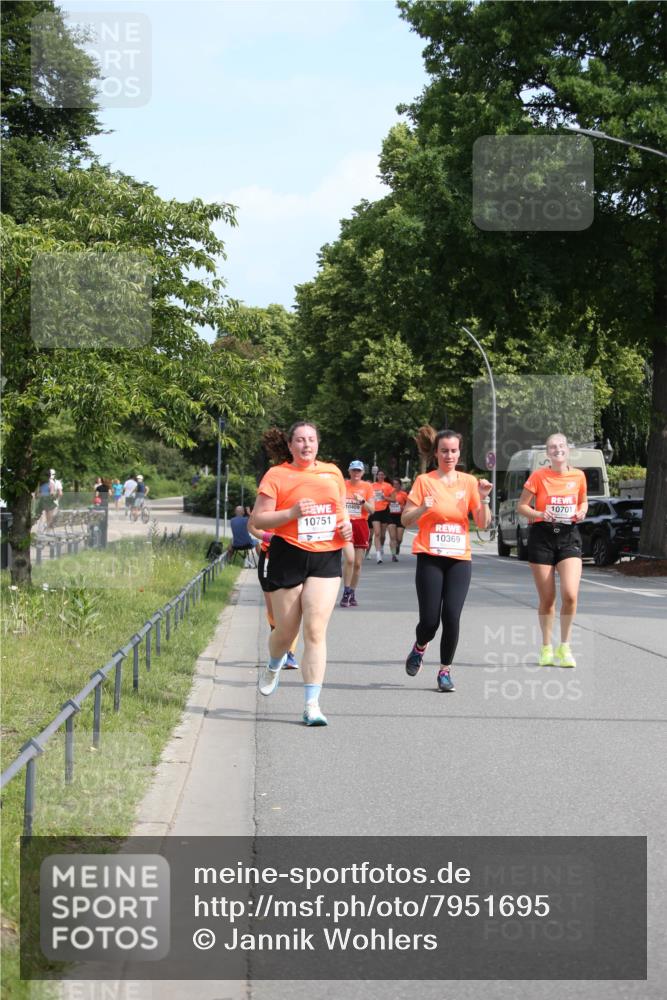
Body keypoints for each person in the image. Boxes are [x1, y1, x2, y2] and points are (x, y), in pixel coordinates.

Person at [250, 422, 352, 726]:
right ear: (290, 445)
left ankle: (312, 704)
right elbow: (259, 518)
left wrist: (345, 527)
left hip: (325, 556)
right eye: (300, 440)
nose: (306, 445)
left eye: (311, 439)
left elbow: (341, 512)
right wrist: (292, 513)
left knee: (315, 630)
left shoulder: (333, 472)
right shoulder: (277, 475)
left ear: (318, 442)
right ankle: (273, 663)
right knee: (286, 632)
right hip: (289, 554)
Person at [401, 427, 492, 692]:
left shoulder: (469, 482)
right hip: (430, 556)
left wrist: (484, 500)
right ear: (436, 453)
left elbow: (484, 525)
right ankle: (419, 647)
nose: (449, 455)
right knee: (430, 621)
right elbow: (406, 520)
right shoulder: (424, 481)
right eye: (444, 451)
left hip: (459, 559)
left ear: (459, 452)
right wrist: (423, 508)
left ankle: (444, 671)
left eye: (453, 450)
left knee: (452, 616)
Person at [516, 433, 588, 668]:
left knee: (570, 594)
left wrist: (582, 510)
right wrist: (539, 514)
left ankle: (564, 647)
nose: (557, 450)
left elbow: (583, 501)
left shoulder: (578, 476)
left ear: (568, 449)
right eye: (552, 447)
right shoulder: (538, 477)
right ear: (547, 453)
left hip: (569, 537)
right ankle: (546, 647)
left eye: (561, 446)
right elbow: (522, 507)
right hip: (543, 537)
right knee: (548, 599)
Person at [248, 522, 300, 670]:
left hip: (293, 554)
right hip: (269, 555)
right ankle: (279, 644)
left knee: (291, 610)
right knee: (273, 610)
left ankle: (289, 653)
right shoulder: (267, 499)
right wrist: (266, 536)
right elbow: (252, 525)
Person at [340, 460, 375, 607]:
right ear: (349, 471)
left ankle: (352, 592)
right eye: (353, 470)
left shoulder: (367, 487)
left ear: (362, 473)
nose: (356, 473)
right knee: (349, 559)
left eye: (358, 471)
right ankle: (346, 591)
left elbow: (372, 510)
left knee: (358, 564)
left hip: (361, 524)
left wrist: (362, 502)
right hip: (347, 524)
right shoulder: (342, 486)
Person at [369, 470, 393, 563]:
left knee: (382, 535)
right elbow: (368, 497)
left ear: (384, 476)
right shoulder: (372, 486)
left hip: (385, 511)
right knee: (377, 533)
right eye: (379, 475)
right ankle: (378, 555)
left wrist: (385, 498)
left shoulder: (388, 486)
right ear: (377, 476)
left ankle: (381, 547)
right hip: (375, 511)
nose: (381, 476)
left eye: (382, 475)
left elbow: (393, 499)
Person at [387, 477, 409, 562]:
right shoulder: (390, 493)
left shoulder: (404, 494)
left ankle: (397, 546)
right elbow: (383, 502)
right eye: (394, 484)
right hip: (391, 516)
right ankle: (393, 555)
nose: (395, 485)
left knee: (399, 539)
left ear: (400, 485)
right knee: (393, 537)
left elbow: (408, 505)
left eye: (397, 484)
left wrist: (404, 507)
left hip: (400, 517)